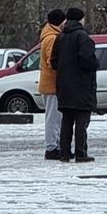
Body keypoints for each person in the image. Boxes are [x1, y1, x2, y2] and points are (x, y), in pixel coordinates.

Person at [51, 6, 98, 162]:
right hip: (82, 86)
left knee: (67, 120)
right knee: (81, 121)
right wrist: (95, 64)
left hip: (64, 85)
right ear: (80, 19)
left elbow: (54, 62)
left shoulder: (60, 37)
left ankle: (64, 153)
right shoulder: (83, 37)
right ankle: (80, 153)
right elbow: (87, 60)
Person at [36, 9, 65, 160]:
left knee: (54, 117)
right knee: (53, 118)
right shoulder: (52, 38)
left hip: (49, 84)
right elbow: (52, 61)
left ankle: (54, 146)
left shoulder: (47, 35)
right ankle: (52, 147)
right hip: (52, 84)